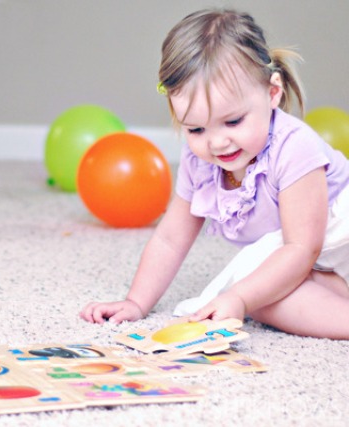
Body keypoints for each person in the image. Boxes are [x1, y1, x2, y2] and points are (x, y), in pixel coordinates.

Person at [80, 8, 349, 339]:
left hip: (333, 240)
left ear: (272, 93)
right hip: (316, 260)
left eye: (233, 121)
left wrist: (240, 298)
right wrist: (136, 302)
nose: (217, 143)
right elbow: (169, 239)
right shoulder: (200, 161)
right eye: (195, 129)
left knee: (248, 292)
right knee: (258, 293)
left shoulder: (294, 146)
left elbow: (302, 248)